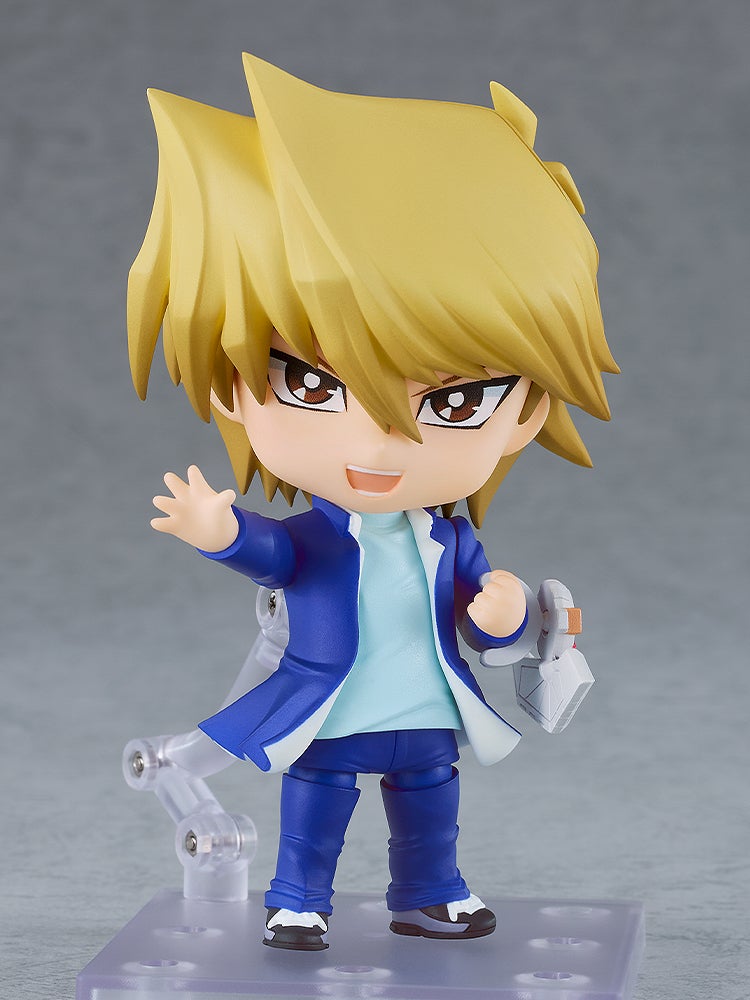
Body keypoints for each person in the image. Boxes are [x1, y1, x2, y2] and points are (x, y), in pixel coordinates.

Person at [127, 54, 617, 950]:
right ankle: (297, 899)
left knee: (431, 810)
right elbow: (275, 553)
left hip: (427, 710)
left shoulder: (450, 540)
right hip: (331, 710)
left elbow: (489, 623)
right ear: (235, 386)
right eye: (312, 385)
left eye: (456, 403)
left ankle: (431, 894)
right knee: (316, 807)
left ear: (525, 413)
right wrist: (219, 530)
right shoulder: (321, 536)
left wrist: (504, 613)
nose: (378, 443)